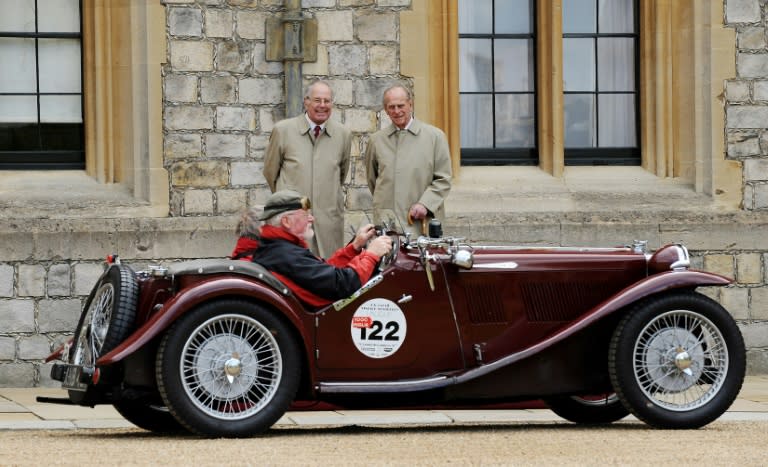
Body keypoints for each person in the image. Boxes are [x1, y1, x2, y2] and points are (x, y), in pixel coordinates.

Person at [250, 190, 392, 309]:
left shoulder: (277, 247)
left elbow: (322, 272)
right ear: (286, 221)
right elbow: (343, 284)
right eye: (306, 215)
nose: (312, 219)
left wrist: (354, 247)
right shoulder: (286, 254)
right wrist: (371, 255)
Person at [262, 80, 352, 258]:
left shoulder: (343, 134)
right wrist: (288, 198)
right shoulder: (283, 130)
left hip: (328, 221)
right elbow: (270, 172)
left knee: (329, 271)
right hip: (293, 220)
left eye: (327, 101)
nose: (322, 105)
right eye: (317, 100)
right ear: (306, 101)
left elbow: (340, 174)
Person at [365, 84, 452, 237]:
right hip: (388, 225)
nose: (397, 111)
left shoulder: (435, 137)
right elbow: (373, 181)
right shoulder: (376, 141)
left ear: (410, 104)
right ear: (386, 110)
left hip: (421, 223)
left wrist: (425, 204)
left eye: (401, 105)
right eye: (391, 107)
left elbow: (443, 179)